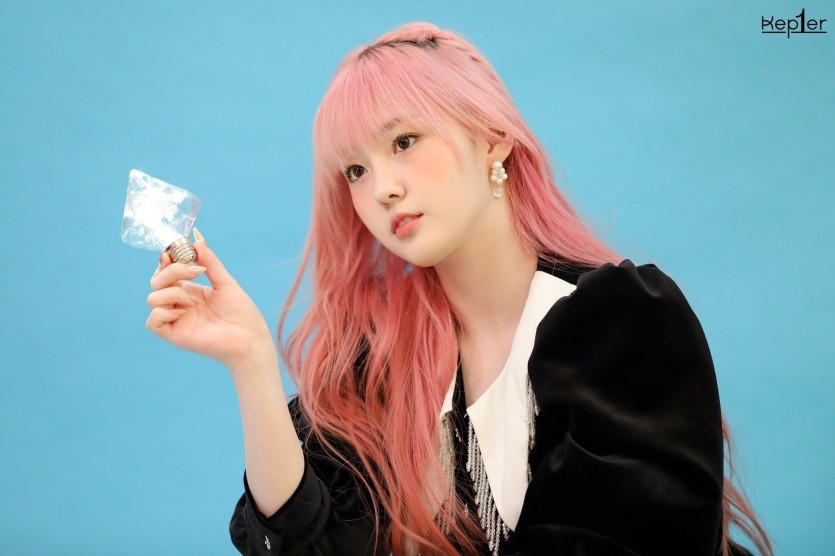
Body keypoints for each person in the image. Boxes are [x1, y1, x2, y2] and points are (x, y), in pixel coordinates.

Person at [146, 22, 772, 555]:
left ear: (493, 137)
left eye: (404, 141)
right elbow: (310, 542)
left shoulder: (621, 323)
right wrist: (251, 362)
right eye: (356, 169)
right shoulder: (384, 361)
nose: (382, 188)